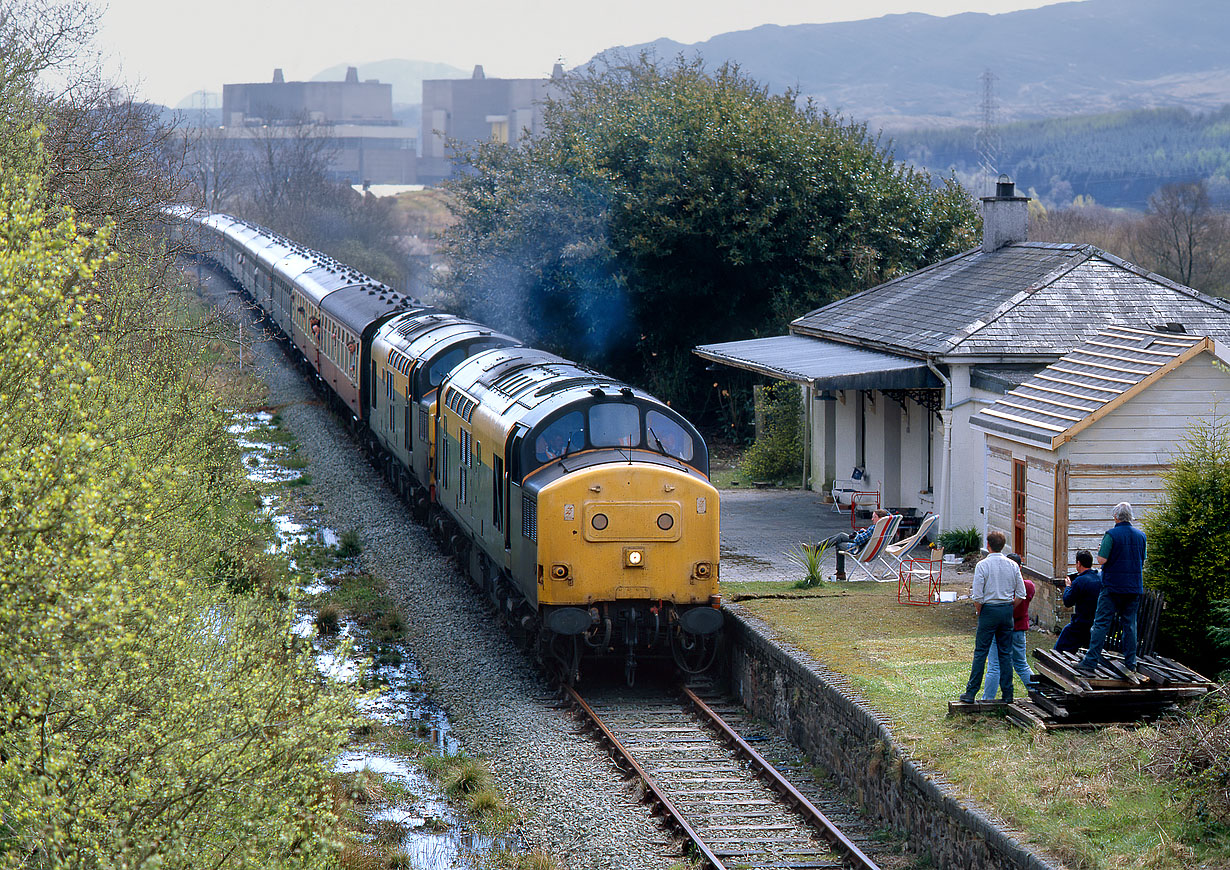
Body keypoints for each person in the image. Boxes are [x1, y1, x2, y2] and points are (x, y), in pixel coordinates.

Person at [1076, 502, 1147, 680]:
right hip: (1133, 587)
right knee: (1130, 626)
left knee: (1101, 623)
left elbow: (1101, 560)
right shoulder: (1141, 536)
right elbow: (1142, 559)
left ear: (1116, 516)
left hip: (1113, 587)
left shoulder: (1111, 535)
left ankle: (1091, 661)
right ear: (1130, 516)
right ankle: (1131, 663)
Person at [959, 530, 1026, 704]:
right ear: (1003, 546)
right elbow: (1021, 593)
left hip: (989, 609)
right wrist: (1010, 608)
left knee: (981, 652)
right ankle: (1007, 694)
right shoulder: (1012, 565)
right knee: (1005, 653)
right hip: (1005, 610)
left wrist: (979, 611)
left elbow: (978, 596)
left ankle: (971, 693)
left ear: (988, 545)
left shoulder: (983, 565)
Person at [982, 552, 1035, 700]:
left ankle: (988, 699)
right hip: (1018, 630)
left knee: (994, 666)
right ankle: (1038, 693)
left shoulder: (1001, 589)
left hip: (999, 630)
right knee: (1021, 664)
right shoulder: (1029, 586)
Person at [1054, 550, 1102, 652]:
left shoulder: (1080, 581)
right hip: (1097, 622)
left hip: (1081, 624)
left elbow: (1068, 602)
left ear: (1079, 563)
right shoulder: (1099, 577)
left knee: (1060, 648)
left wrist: (1068, 587)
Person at [819, 509, 889, 552]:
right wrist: (865, 533)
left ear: (881, 518)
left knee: (840, 540)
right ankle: (817, 547)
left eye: (874, 517)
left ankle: (817, 548)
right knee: (841, 536)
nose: (872, 519)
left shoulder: (874, 528)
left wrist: (858, 534)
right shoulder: (885, 528)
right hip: (874, 549)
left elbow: (858, 541)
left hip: (861, 549)